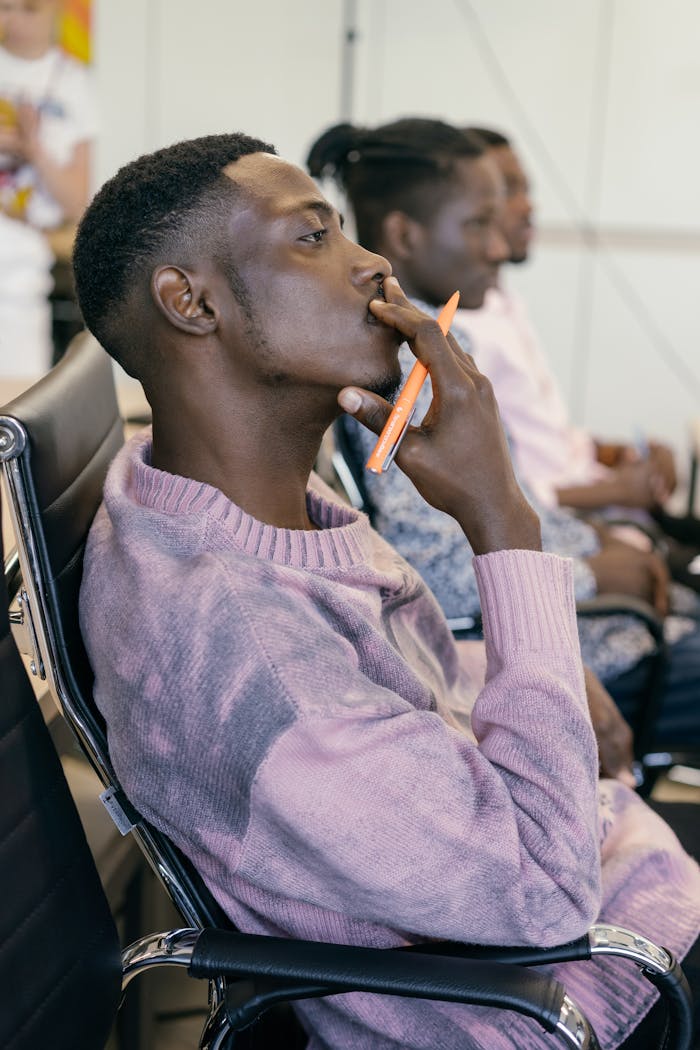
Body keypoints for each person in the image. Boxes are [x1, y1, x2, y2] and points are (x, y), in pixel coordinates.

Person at [74, 132, 700, 1050]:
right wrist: (502, 523)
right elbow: (545, 895)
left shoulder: (233, 504)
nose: (371, 264)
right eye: (313, 237)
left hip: (620, 882)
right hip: (594, 993)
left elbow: (403, 690)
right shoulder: (255, 665)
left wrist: (535, 667)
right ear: (191, 302)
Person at [308, 117, 700, 751]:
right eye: (477, 224)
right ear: (404, 235)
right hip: (581, 650)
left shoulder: (442, 345)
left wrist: (596, 540)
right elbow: (435, 573)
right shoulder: (402, 368)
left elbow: (504, 500)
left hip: (591, 622)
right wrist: (592, 575)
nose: (497, 248)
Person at [455, 127, 700, 569]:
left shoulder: (502, 304)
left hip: (605, 513)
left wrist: (614, 453)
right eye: (508, 191)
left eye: (526, 189)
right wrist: (618, 489)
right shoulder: (461, 334)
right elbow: (503, 491)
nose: (527, 206)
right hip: (574, 533)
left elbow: (542, 439)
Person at [0, 0, 96, 376]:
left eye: (29, 8)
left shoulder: (72, 82)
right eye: (5, 8)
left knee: (20, 392)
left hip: (26, 271)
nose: (15, 20)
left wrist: (33, 150)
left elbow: (75, 201)